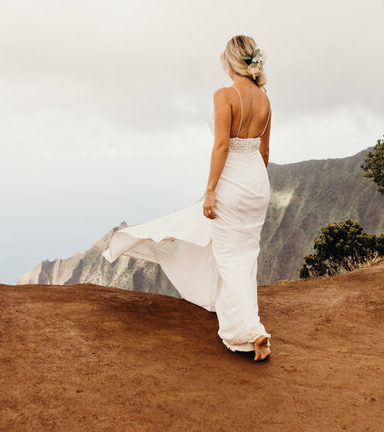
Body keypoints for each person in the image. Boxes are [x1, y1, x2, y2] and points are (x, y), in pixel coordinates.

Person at [103, 35, 272, 361]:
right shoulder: (265, 99)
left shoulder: (224, 95)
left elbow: (222, 146)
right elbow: (265, 151)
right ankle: (244, 318)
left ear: (230, 60)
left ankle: (248, 332)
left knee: (228, 256)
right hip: (257, 183)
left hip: (233, 182)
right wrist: (255, 186)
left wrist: (210, 191)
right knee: (246, 254)